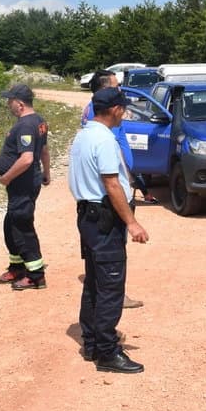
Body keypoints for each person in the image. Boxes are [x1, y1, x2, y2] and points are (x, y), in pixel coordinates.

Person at [68, 86, 150, 373]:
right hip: (103, 217)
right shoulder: (103, 140)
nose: (124, 114)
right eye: (123, 110)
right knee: (111, 286)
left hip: (88, 216)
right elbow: (111, 183)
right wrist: (131, 222)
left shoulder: (82, 135)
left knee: (94, 282)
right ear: (115, 110)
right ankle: (106, 352)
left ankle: (91, 342)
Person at [83, 70, 146, 309]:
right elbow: (107, 176)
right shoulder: (100, 119)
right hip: (106, 198)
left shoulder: (99, 116)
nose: (120, 89)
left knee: (112, 252)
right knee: (110, 254)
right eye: (116, 85)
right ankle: (114, 295)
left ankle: (114, 291)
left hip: (116, 181)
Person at [0, 84, 51, 290]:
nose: (8, 104)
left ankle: (36, 275)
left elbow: (27, 159)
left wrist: (6, 178)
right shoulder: (39, 121)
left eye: (10, 101)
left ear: (19, 104)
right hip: (24, 183)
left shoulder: (26, 125)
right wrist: (47, 172)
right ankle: (17, 266)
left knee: (21, 226)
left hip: (22, 183)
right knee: (11, 223)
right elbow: (44, 149)